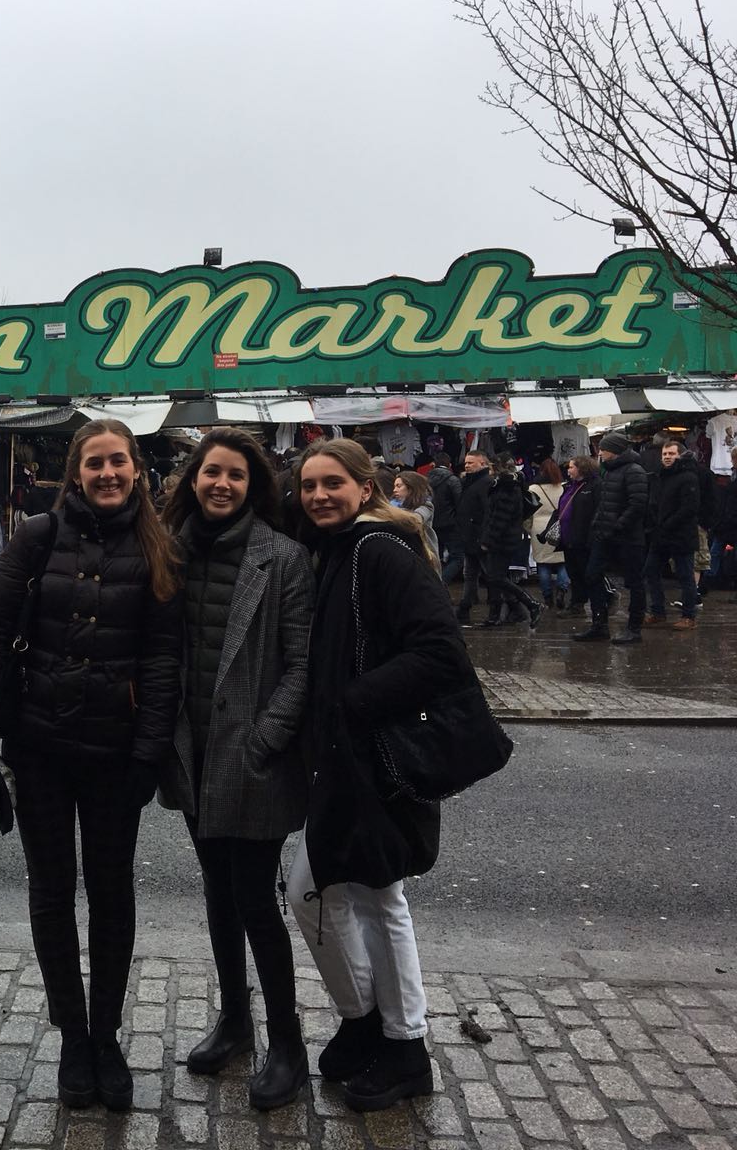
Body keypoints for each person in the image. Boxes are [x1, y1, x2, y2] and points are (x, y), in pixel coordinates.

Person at [0, 420, 182, 1113]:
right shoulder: (37, 537)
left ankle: (106, 1034)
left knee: (112, 895)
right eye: (96, 463)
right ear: (77, 473)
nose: (108, 473)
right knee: (52, 892)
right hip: (42, 744)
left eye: (119, 462)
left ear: (136, 470)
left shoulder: (158, 547)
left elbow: (163, 657)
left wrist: (150, 748)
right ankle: (72, 1035)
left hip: (115, 752)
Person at [289, 438, 467, 1112]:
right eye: (309, 486)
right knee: (319, 890)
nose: (318, 495)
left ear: (366, 487)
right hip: (346, 760)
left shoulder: (379, 551)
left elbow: (441, 653)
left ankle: (404, 1044)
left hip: (375, 760)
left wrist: (350, 706)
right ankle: (368, 1025)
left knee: (373, 897)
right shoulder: (343, 549)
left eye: (333, 483)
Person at [157, 429, 313, 1111]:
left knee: (254, 900)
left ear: (254, 486)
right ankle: (234, 1021)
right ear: (194, 478)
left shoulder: (283, 558)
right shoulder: (170, 550)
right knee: (217, 896)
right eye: (211, 473)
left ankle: (288, 1043)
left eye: (236, 477)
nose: (221, 484)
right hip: (192, 757)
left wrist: (264, 739)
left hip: (251, 758)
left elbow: (303, 664)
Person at [573, 432, 650, 644]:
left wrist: (618, 525)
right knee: (591, 575)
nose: (600, 453)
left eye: (604, 449)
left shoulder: (634, 471)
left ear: (614, 450)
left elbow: (637, 504)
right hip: (604, 535)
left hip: (628, 537)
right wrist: (597, 526)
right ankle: (599, 625)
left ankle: (634, 628)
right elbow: (604, 503)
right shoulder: (608, 471)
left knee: (634, 582)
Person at [472, 455, 542, 629]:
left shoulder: (506, 488)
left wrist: (487, 541)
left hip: (502, 540)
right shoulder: (508, 485)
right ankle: (496, 616)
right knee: (495, 578)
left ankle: (532, 604)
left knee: (496, 577)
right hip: (505, 538)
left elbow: (500, 518)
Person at [643, 440, 700, 630]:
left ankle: (688, 616)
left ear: (679, 455)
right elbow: (654, 503)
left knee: (685, 576)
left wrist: (667, 524)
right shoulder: (658, 476)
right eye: (665, 454)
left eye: (671, 454)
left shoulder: (688, 477)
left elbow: (689, 508)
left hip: (681, 535)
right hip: (660, 535)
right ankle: (658, 611)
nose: (667, 457)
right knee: (650, 570)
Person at [453, 450, 494, 624]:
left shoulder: (485, 483)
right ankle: (464, 607)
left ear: (483, 464)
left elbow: (487, 512)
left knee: (492, 575)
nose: (467, 465)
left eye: (471, 462)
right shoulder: (468, 482)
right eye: (466, 462)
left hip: (479, 537)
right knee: (470, 574)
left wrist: (485, 537)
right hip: (469, 536)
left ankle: (514, 606)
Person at [557, 457, 601, 615]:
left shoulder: (595, 485)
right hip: (568, 537)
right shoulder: (569, 486)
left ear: (581, 468)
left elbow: (597, 511)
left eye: (571, 467)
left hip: (583, 537)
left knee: (585, 572)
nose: (568, 470)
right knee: (573, 572)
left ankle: (587, 603)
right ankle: (577, 603)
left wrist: (592, 535)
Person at [525, 460, 570, 609]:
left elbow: (527, 513)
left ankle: (547, 596)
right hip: (560, 526)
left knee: (543, 564)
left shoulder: (533, 488)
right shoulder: (563, 488)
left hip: (539, 528)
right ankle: (562, 590)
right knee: (563, 561)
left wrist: (527, 528)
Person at [426, 453, 462, 582]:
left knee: (435, 556)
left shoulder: (425, 479)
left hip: (431, 522)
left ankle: (433, 582)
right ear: (450, 465)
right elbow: (459, 502)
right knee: (458, 557)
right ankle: (440, 583)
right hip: (450, 524)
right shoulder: (453, 480)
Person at [391, 471, 439, 564]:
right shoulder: (393, 506)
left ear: (411, 488)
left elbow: (415, 520)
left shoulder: (426, 505)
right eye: (394, 486)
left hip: (423, 555)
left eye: (399, 486)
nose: (394, 490)